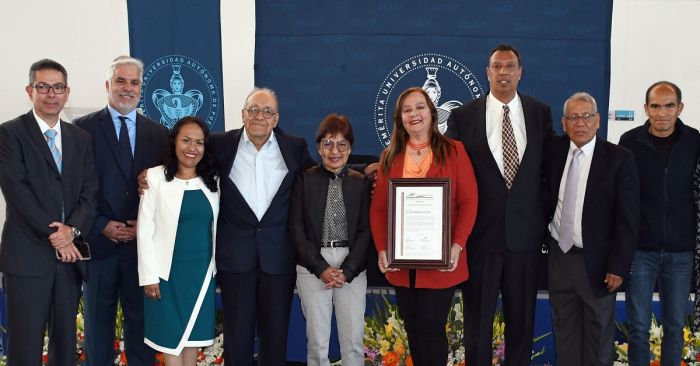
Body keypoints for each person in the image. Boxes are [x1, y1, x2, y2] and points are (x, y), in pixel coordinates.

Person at [445, 44, 554, 365]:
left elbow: (549, 171)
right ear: (487, 72)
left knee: (522, 324)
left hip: (526, 240)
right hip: (479, 238)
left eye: (510, 67)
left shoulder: (539, 113)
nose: (503, 72)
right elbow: (446, 167)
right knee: (477, 323)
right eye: (497, 67)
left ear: (520, 72)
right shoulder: (463, 116)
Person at [0, 59, 98, 365]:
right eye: (43, 86)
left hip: (68, 262)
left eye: (57, 87)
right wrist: (58, 236)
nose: (50, 94)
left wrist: (73, 232)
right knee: (25, 345)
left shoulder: (79, 138)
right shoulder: (9, 134)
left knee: (66, 344)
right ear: (30, 90)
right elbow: (17, 194)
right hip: (28, 258)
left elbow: (90, 193)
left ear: (67, 92)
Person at [370, 87, 478, 365]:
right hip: (402, 264)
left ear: (432, 112)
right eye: (407, 110)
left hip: (441, 261)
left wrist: (457, 245)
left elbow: (469, 202)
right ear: (400, 118)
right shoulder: (390, 156)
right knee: (414, 328)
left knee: (430, 326)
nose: (414, 114)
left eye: (419, 107)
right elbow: (379, 209)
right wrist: (383, 248)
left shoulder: (454, 150)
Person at [208, 87, 314, 365]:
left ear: (276, 119)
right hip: (235, 258)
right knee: (237, 337)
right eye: (253, 109)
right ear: (242, 114)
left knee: (275, 338)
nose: (259, 116)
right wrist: (151, 175)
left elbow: (319, 179)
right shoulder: (219, 145)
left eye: (267, 111)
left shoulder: (294, 146)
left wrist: (367, 172)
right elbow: (187, 166)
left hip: (278, 257)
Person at [74, 55, 168, 366]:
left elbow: (167, 190)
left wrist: (140, 226)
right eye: (120, 81)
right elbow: (73, 188)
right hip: (99, 245)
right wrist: (101, 224)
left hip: (141, 249)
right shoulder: (81, 130)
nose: (127, 88)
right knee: (98, 331)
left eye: (134, 82)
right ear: (107, 85)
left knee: (141, 327)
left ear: (142, 88)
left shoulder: (158, 133)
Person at [545, 92, 639, 365]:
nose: (580, 123)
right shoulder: (553, 151)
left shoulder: (619, 158)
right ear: (563, 123)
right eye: (573, 117)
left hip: (598, 264)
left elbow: (628, 218)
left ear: (598, 120)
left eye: (586, 116)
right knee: (565, 334)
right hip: (559, 260)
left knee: (598, 340)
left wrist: (619, 266)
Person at [619, 81, 699, 366]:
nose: (662, 112)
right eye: (655, 106)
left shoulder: (695, 141)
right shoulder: (629, 142)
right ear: (645, 109)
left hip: (681, 251)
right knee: (638, 327)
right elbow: (622, 195)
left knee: (675, 326)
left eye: (668, 106)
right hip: (640, 250)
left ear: (680, 108)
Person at [289, 113, 371, 366]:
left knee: (354, 343)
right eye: (328, 144)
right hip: (313, 265)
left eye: (342, 144)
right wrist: (321, 268)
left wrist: (347, 270)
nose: (335, 151)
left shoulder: (361, 183)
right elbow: (296, 228)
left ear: (350, 148)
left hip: (351, 266)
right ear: (318, 148)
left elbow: (366, 231)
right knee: (317, 343)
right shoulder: (304, 180)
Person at [137, 116, 219, 364]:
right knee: (170, 339)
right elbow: (144, 230)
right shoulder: (154, 178)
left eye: (199, 142)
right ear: (174, 143)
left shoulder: (213, 181)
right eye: (186, 140)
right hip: (165, 276)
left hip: (202, 275)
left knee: (193, 337)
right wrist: (149, 277)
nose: (192, 148)